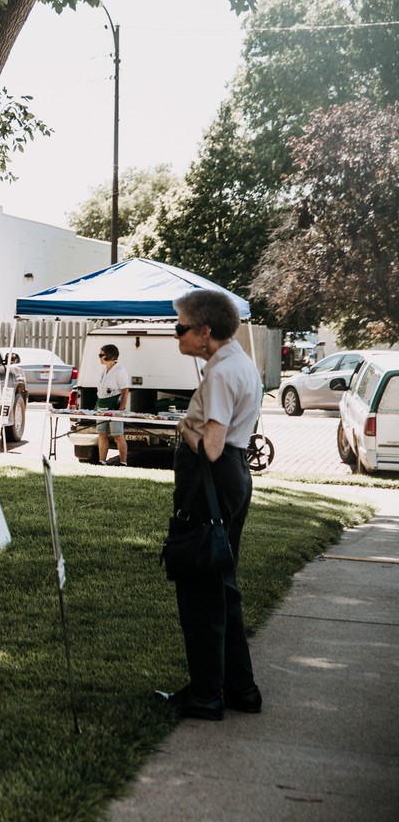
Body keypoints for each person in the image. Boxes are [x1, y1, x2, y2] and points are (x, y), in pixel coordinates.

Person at [157, 289, 264, 720]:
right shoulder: (239, 362)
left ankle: (205, 695)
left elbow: (213, 447)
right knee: (223, 585)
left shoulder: (220, 372)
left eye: (180, 327)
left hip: (213, 481)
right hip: (234, 479)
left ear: (204, 332)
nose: (176, 334)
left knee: (201, 588)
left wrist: (183, 427)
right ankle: (240, 688)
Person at [94, 343, 132, 465]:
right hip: (101, 405)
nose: (99, 357)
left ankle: (123, 462)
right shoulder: (105, 370)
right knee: (102, 434)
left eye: (101, 355)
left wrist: (120, 410)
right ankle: (102, 461)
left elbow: (125, 392)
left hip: (114, 406)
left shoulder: (120, 371)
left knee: (117, 435)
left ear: (109, 356)